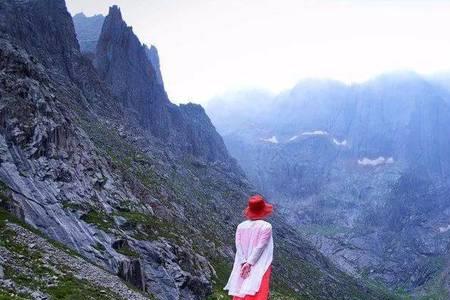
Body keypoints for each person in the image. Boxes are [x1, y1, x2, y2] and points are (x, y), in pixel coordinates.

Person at [224, 194, 274, 300]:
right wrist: (249, 263)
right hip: (260, 264)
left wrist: (243, 262)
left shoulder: (241, 226)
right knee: (256, 291)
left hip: (241, 264)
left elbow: (238, 245)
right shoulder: (266, 227)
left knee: (240, 289)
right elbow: (260, 247)